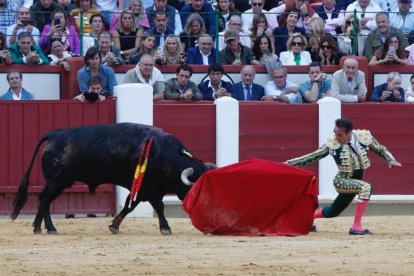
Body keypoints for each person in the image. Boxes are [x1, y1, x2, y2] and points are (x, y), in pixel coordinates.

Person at [286, 118, 402, 235]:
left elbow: (380, 149)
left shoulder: (363, 137)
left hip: (356, 181)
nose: (336, 137)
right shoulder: (332, 143)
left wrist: (390, 159)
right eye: (335, 133)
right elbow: (314, 156)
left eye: (339, 134)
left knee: (333, 211)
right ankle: (356, 227)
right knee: (366, 188)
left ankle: (306, 219)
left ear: (349, 133)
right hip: (342, 180)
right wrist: (289, 164)